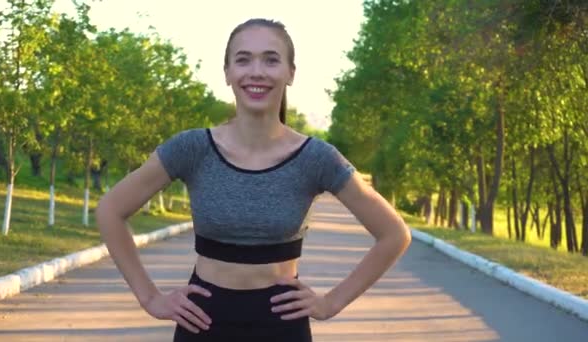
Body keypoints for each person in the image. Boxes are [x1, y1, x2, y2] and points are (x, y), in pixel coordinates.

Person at [95, 18, 411, 342]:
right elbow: (110, 210)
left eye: (271, 59)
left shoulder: (317, 158)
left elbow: (393, 234)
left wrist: (330, 303)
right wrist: (150, 298)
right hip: (202, 323)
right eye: (243, 59)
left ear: (290, 73)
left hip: (282, 326)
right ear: (228, 73)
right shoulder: (191, 149)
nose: (256, 71)